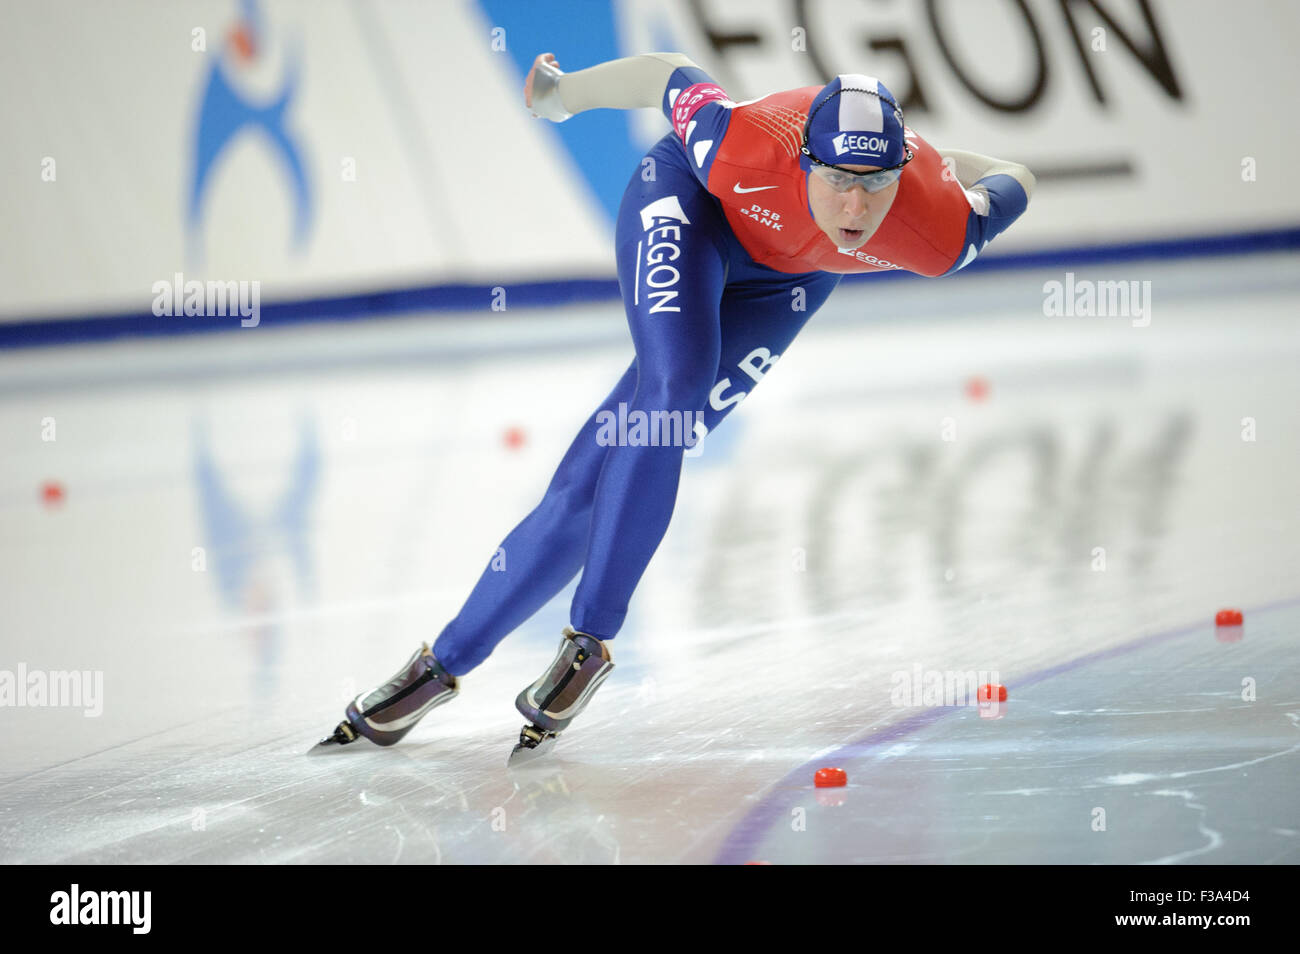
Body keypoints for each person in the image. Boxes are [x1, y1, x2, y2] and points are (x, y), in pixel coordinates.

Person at [315, 51, 1036, 761]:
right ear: (805, 163)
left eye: (876, 183)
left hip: (786, 286)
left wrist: (936, 164)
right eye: (838, 180)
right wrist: (565, 93)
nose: (856, 207)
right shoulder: (744, 145)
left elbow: (1017, 178)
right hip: (689, 211)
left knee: (602, 479)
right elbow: (667, 72)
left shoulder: (940, 232)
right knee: (671, 390)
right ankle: (588, 642)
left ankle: (437, 668)